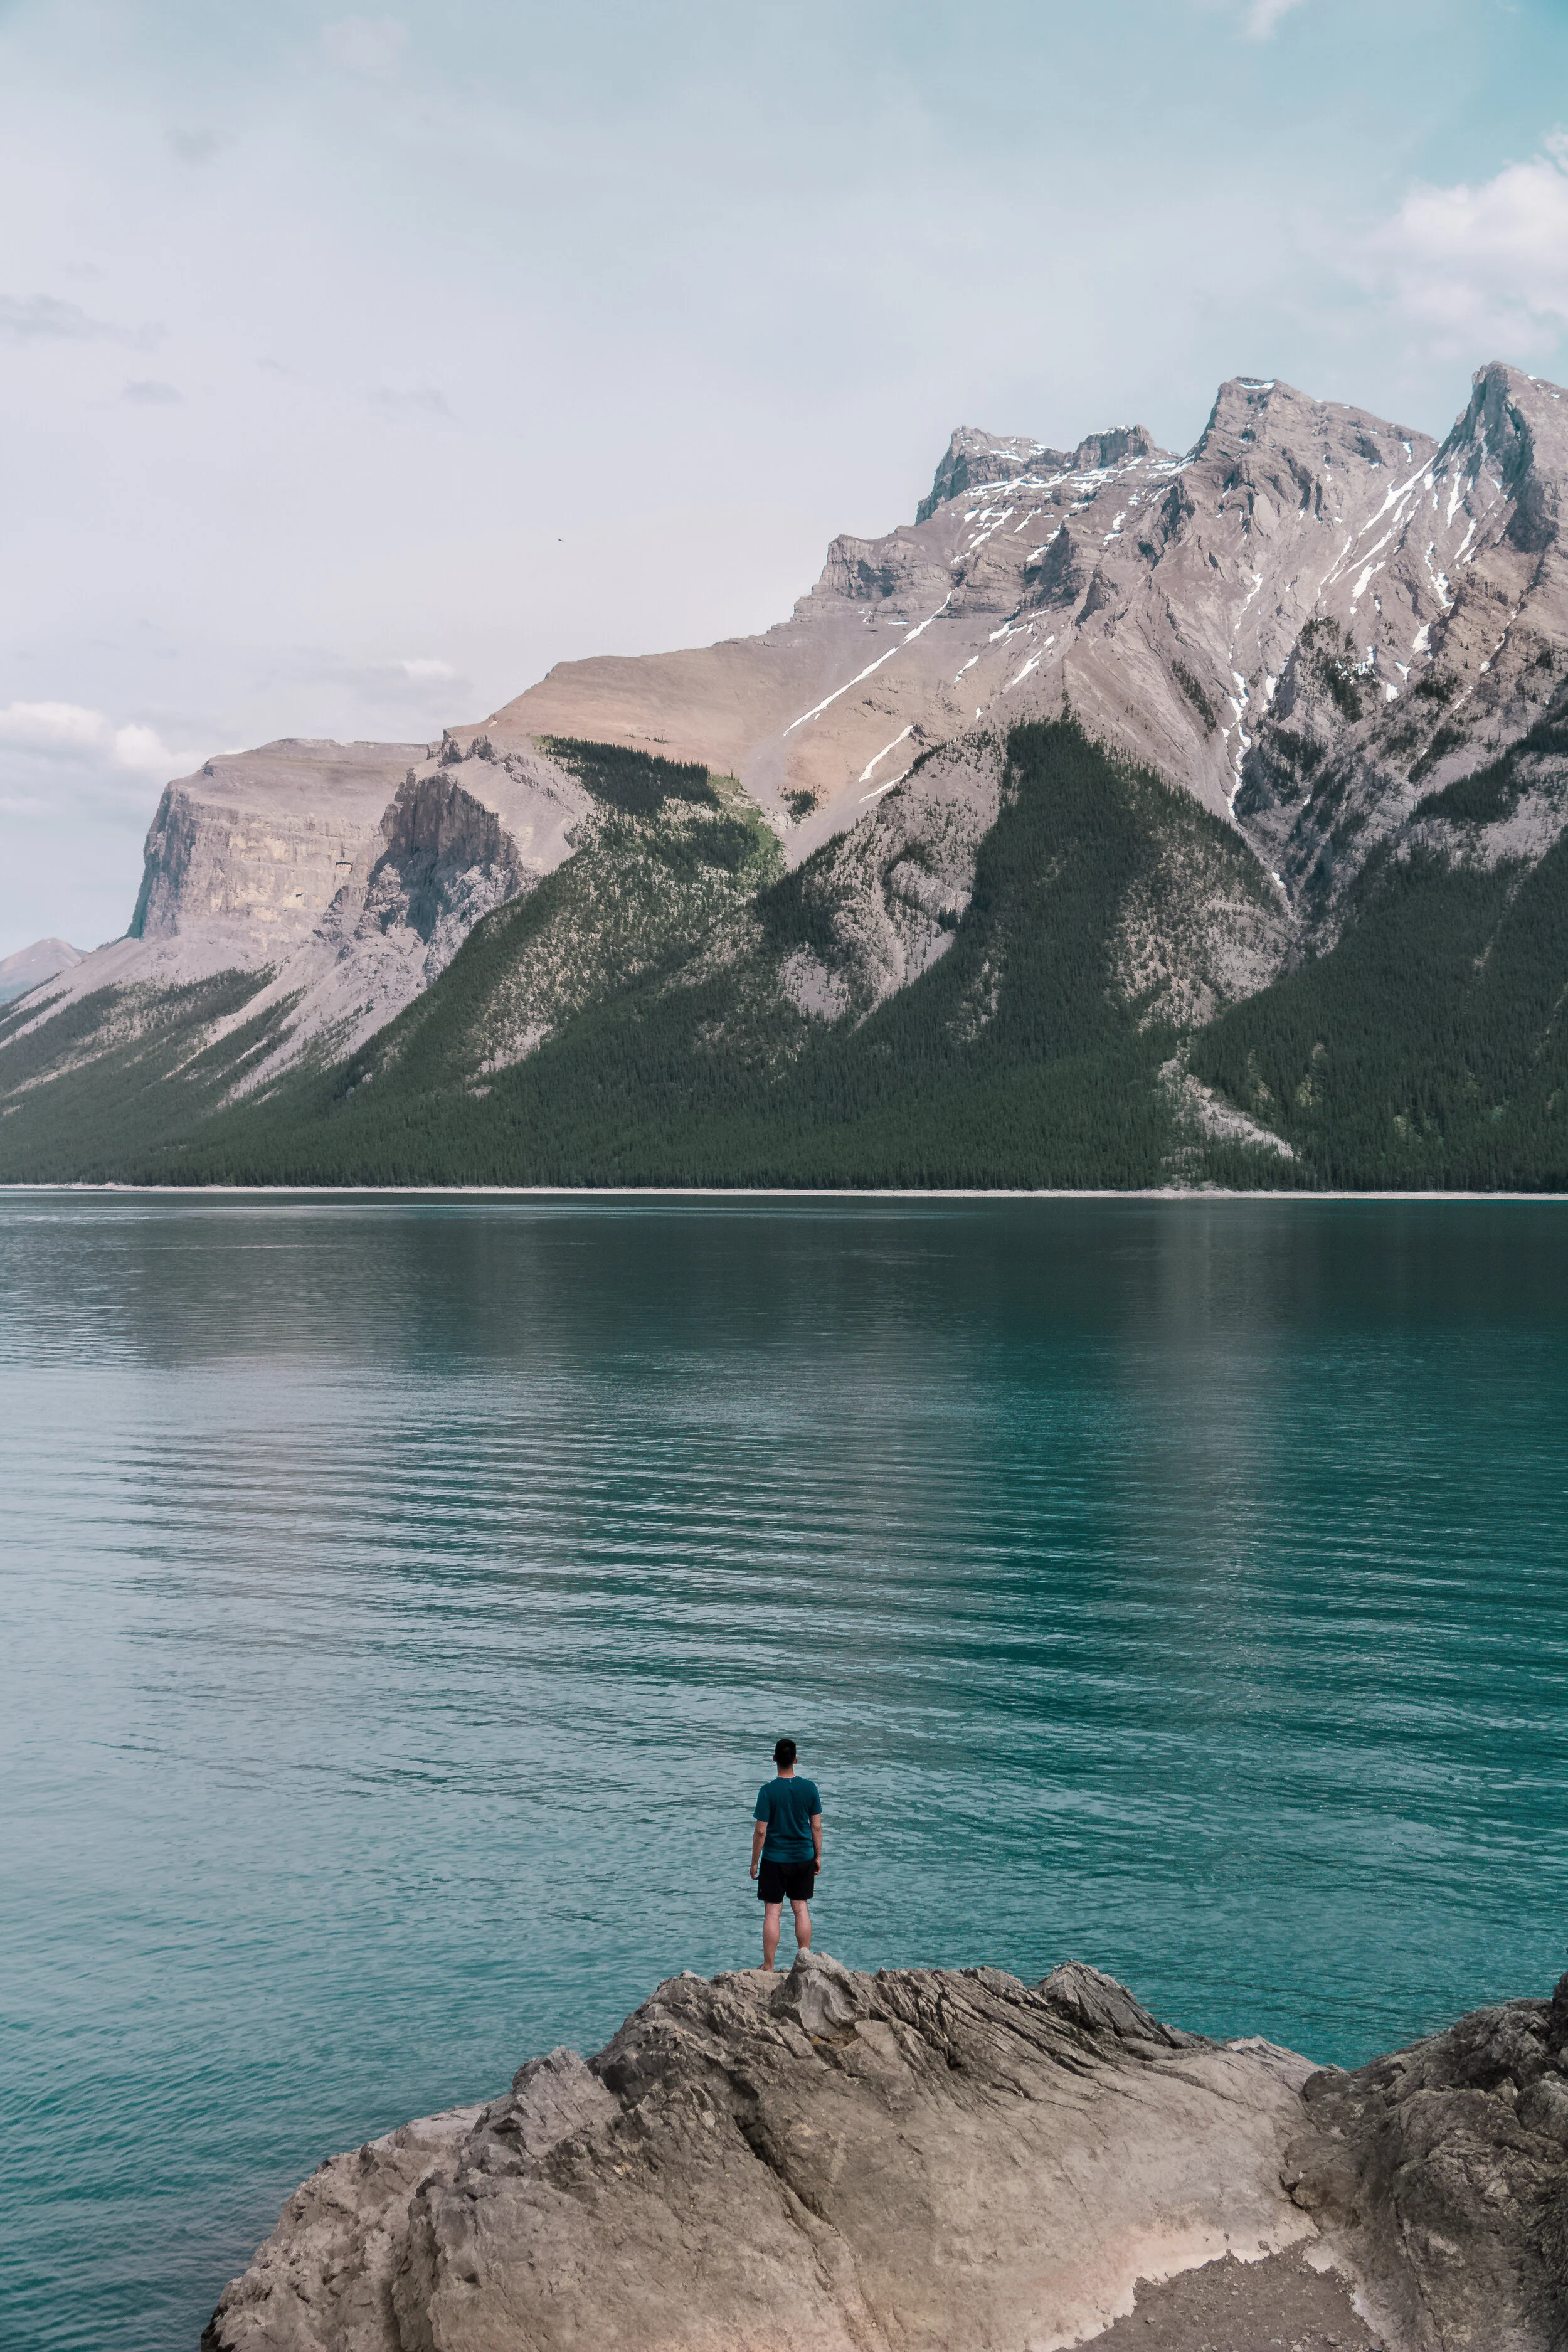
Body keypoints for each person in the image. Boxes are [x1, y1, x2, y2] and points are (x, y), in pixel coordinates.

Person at [750, 1736, 822, 1971]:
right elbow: (816, 1827)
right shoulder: (810, 1789)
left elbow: (761, 1831)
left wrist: (754, 1862)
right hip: (803, 1858)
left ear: (774, 1759)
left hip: (774, 1860)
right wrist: (817, 1856)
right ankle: (805, 1962)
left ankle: (769, 1966)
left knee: (773, 1913)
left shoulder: (767, 1792)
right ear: (796, 1760)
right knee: (801, 1908)